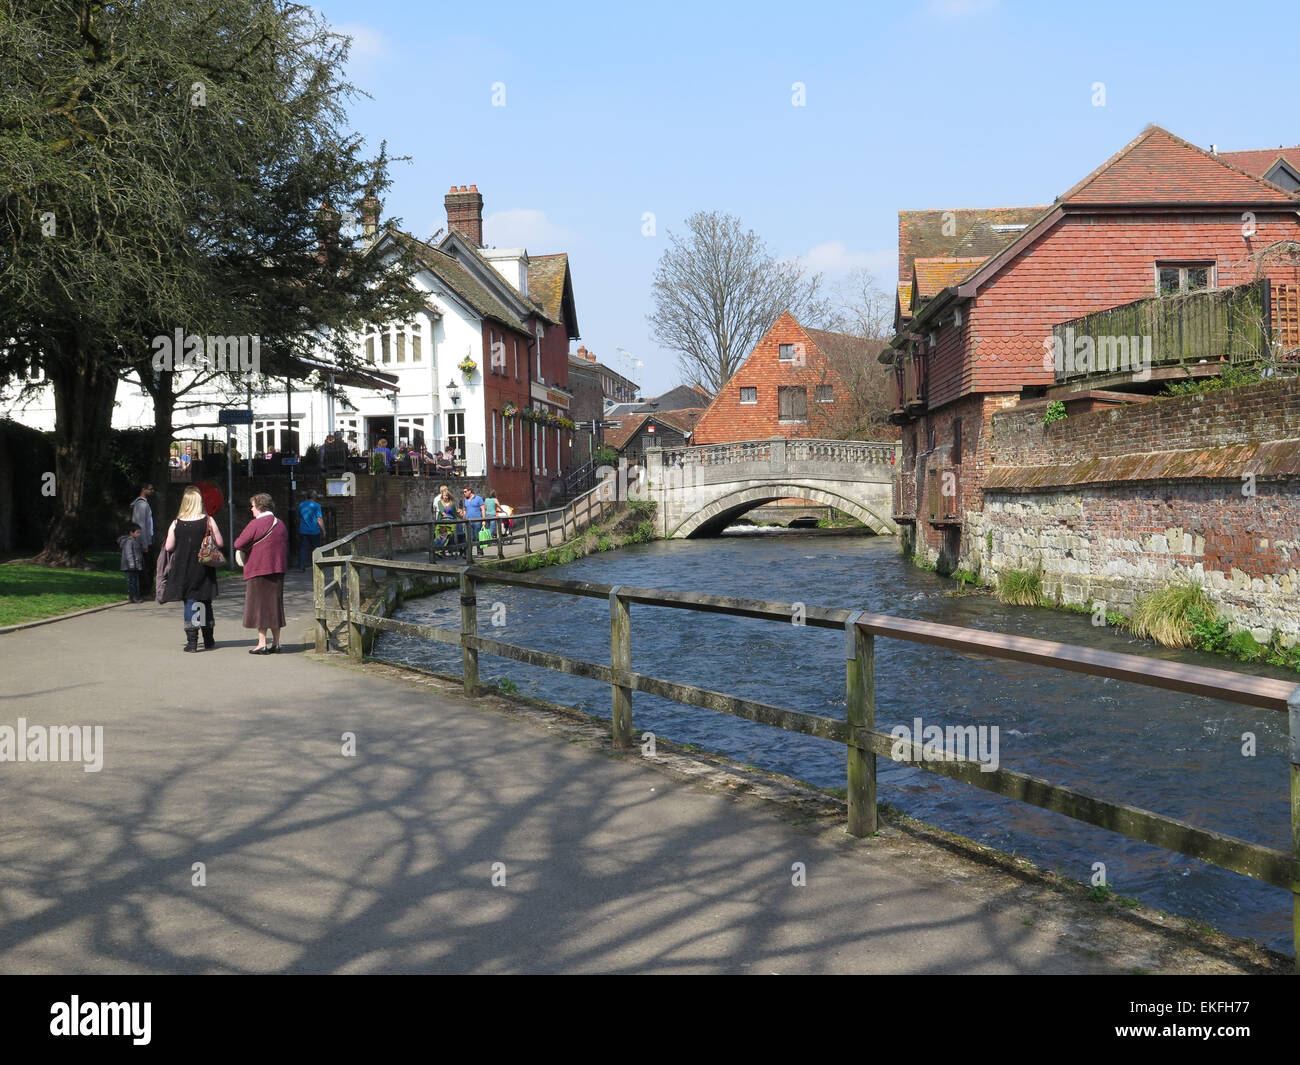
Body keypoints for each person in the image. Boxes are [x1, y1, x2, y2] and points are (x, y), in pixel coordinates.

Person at [162, 485, 223, 652]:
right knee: (204, 601)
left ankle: (192, 641)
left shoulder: (176, 523)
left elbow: (168, 546)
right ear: (199, 502)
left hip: (184, 566)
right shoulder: (208, 520)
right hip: (204, 566)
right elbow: (220, 543)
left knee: (191, 601)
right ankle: (209, 639)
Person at [233, 492, 288, 655]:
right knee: (275, 607)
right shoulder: (280, 524)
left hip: (258, 570)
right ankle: (277, 643)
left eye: (252, 506)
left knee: (260, 608)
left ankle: (262, 643)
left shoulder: (256, 524)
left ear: (259, 506)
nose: (251, 509)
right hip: (278, 570)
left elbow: (239, 543)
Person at [130, 483, 156, 595]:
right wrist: (145, 543)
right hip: (144, 541)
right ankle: (144, 591)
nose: (152, 491)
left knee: (148, 567)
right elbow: (141, 525)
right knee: (146, 567)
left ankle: (145, 590)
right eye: (150, 489)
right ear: (143, 489)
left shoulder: (143, 504)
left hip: (146, 539)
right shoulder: (141, 505)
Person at [296, 489, 325, 571]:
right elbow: (319, 519)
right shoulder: (317, 505)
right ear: (314, 496)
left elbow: (298, 516)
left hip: (303, 531)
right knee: (316, 549)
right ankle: (318, 566)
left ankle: (302, 566)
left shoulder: (301, 505)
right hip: (314, 531)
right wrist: (323, 530)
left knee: (303, 549)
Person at [119, 522, 145, 602]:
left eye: (139, 532)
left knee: (134, 581)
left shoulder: (135, 541)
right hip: (130, 566)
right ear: (131, 532)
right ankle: (133, 597)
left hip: (135, 566)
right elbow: (129, 553)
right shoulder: (129, 542)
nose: (139, 534)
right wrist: (132, 564)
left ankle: (133, 596)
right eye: (137, 532)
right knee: (132, 582)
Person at [462, 485, 485, 555]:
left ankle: (480, 552)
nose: (464, 493)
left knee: (477, 537)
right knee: (469, 538)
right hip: (468, 522)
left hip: (477, 521)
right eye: (463, 492)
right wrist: (463, 520)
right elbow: (465, 510)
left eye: (465, 491)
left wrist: (484, 520)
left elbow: (483, 509)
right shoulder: (465, 500)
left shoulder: (478, 498)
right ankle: (469, 553)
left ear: (470, 491)